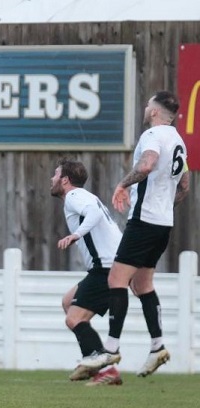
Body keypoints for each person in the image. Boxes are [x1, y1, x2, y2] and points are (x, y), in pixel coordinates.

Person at [82, 91, 190, 377]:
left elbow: (147, 164)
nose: (144, 108)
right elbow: (185, 186)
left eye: (147, 105)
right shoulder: (179, 141)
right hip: (163, 224)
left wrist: (121, 185)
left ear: (155, 112)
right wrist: (164, 206)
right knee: (142, 285)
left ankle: (111, 348)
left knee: (116, 279)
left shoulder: (153, 135)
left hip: (143, 223)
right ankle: (157, 347)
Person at [50, 158, 123, 386]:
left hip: (106, 268)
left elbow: (94, 213)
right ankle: (94, 365)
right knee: (68, 301)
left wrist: (76, 234)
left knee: (73, 318)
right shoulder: (84, 196)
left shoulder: (75, 196)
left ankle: (104, 367)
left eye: (55, 175)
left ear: (65, 180)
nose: (51, 179)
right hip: (109, 266)